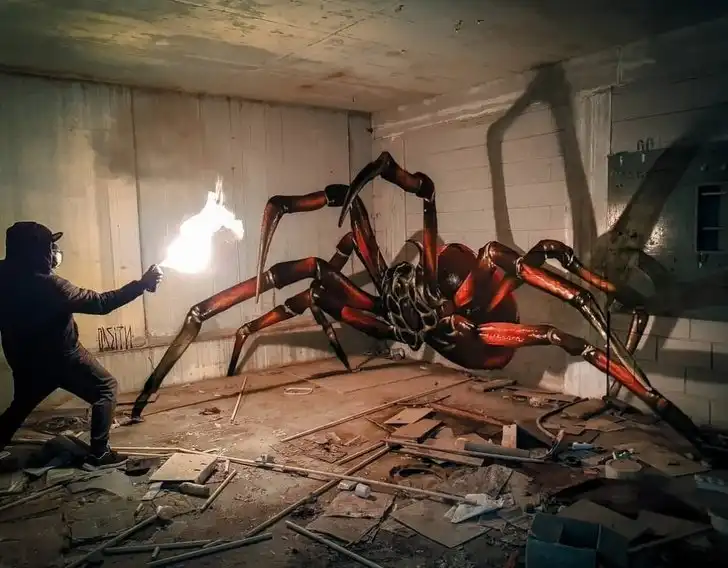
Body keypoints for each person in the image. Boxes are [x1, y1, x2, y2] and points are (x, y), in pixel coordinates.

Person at [0, 221, 163, 467]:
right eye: (50, 246)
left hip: (23, 359)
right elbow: (101, 303)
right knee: (106, 388)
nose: (55, 252)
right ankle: (99, 454)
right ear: (37, 250)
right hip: (62, 357)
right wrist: (142, 284)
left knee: (20, 406)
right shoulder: (50, 286)